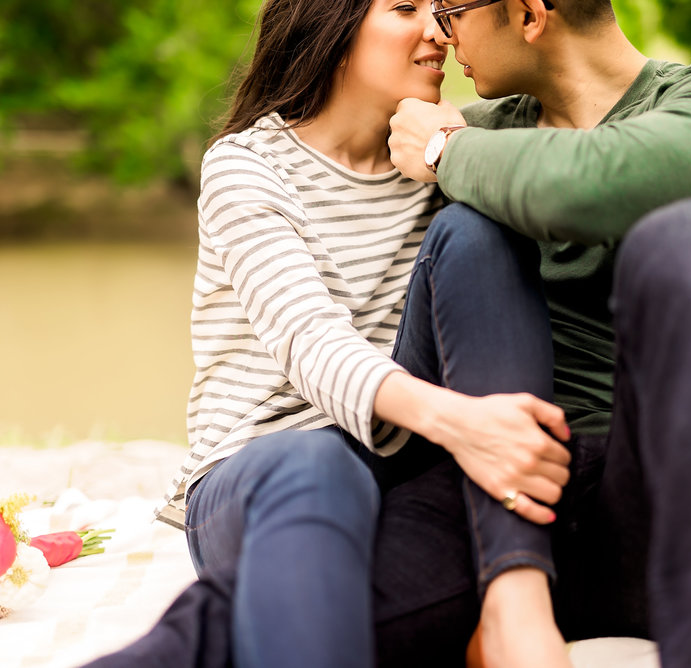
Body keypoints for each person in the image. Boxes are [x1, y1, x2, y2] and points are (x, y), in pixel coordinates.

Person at [84, 0, 579, 666]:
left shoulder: (444, 165)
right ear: (334, 29)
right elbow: (313, 347)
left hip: (402, 467)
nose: (439, 31)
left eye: (441, 12)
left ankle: (516, 602)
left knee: (479, 235)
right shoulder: (246, 166)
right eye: (407, 8)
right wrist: (464, 423)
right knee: (315, 459)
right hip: (263, 472)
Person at [376, 0, 691, 665]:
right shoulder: (477, 134)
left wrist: (444, 149)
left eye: (451, 9)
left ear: (527, 14)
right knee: (298, 607)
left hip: (660, 512)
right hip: (503, 509)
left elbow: (596, 180)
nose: (440, 31)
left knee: (687, 236)